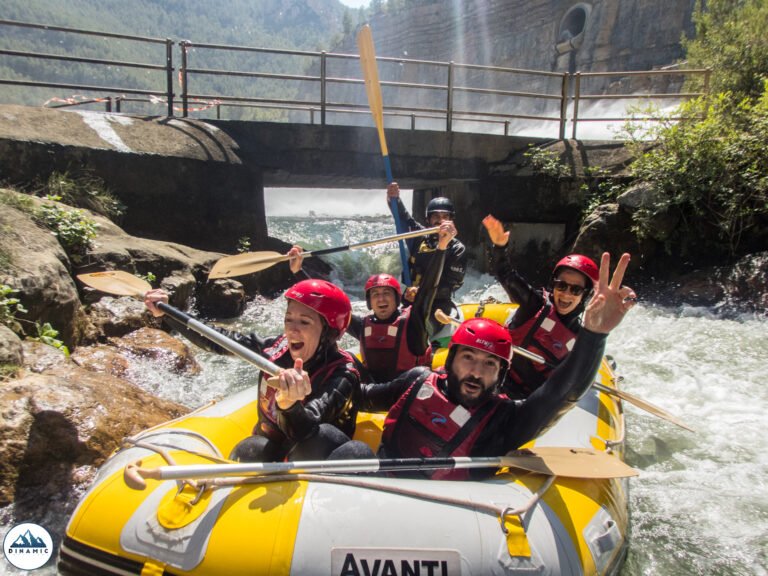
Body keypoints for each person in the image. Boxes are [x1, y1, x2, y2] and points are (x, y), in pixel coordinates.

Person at [329, 252, 636, 480]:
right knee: (343, 445)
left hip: (449, 516)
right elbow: (362, 395)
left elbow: (562, 394)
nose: (476, 372)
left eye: (490, 364)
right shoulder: (418, 379)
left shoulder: (503, 420)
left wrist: (595, 334)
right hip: (378, 490)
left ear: (501, 374)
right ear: (449, 360)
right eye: (468, 358)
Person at [144, 279, 361, 462]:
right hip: (272, 445)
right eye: (288, 319)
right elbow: (217, 341)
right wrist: (169, 313)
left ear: (330, 333)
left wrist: (288, 404)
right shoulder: (274, 347)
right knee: (252, 448)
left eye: (304, 322)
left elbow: (307, 432)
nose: (291, 330)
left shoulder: (343, 373)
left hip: (316, 455)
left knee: (329, 439)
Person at [286, 220, 458, 382]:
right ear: (369, 302)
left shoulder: (414, 320)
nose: (381, 298)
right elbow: (323, 303)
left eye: (386, 293)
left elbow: (428, 288)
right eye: (375, 294)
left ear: (397, 298)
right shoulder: (362, 326)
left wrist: (441, 247)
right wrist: (297, 271)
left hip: (408, 391)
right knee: (346, 359)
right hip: (373, 393)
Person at [483, 214, 601, 398]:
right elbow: (505, 273)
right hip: (496, 380)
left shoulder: (580, 334)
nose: (566, 294)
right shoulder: (534, 304)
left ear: (585, 295)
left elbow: (579, 376)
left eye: (576, 289)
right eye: (561, 285)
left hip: (532, 399)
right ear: (553, 285)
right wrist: (500, 247)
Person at [387, 182, 467, 334]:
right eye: (435, 216)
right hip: (410, 300)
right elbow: (403, 218)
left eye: (445, 217)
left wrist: (420, 292)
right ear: (428, 220)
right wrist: (394, 198)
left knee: (418, 329)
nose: (440, 221)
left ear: (451, 220)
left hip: (438, 305)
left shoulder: (457, 249)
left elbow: (448, 286)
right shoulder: (418, 237)